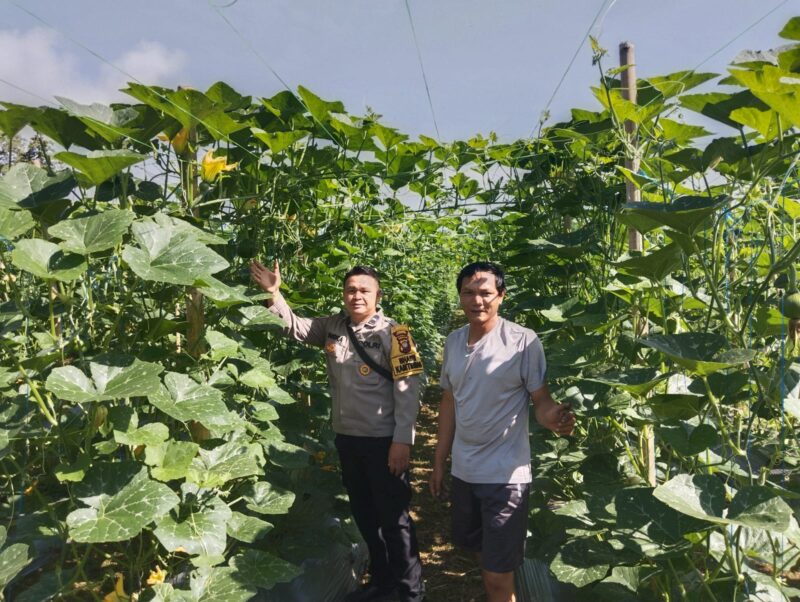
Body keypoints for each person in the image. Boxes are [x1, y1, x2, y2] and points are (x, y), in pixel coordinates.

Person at [251, 260, 425, 602]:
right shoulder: (332, 327)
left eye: (364, 290)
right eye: (350, 290)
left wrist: (402, 440)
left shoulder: (398, 334)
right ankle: (383, 582)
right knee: (365, 515)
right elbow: (296, 329)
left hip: (384, 441)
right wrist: (274, 295)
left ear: (377, 295)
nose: (356, 296)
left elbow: (410, 390)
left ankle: (411, 593)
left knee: (394, 520)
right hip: (347, 439)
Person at [429, 261, 575, 602]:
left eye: (485, 293)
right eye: (468, 293)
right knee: (476, 549)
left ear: (502, 296)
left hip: (505, 476)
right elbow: (449, 402)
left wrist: (554, 416)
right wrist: (439, 461)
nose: (477, 301)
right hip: (465, 471)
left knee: (497, 575)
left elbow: (540, 400)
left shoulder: (523, 342)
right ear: (460, 297)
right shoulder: (453, 342)